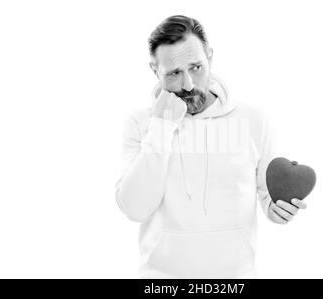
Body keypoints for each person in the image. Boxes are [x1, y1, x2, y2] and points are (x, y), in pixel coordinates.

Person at [115, 15, 307, 279]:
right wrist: (161, 127)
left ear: (210, 56)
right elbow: (135, 209)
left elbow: (266, 197)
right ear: (154, 70)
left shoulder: (254, 120)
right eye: (173, 73)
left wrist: (278, 211)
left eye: (196, 67)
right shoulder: (140, 123)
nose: (188, 84)